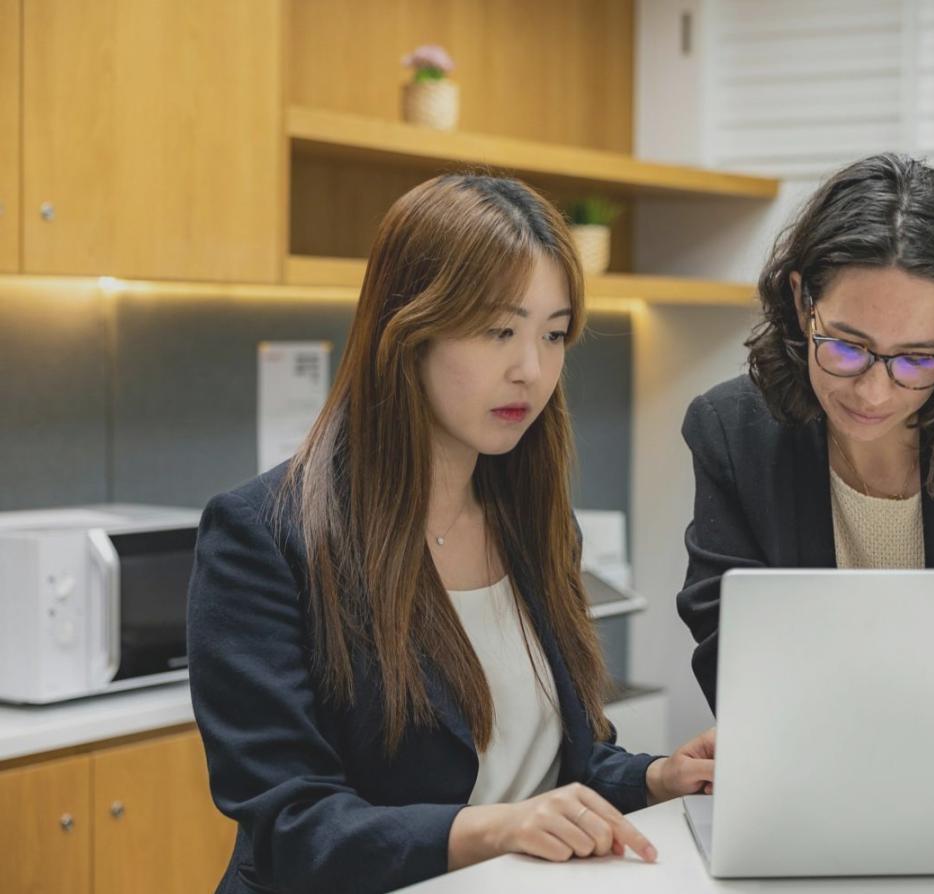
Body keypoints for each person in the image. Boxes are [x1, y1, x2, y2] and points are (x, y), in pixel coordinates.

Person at [188, 173, 714, 893]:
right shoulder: (263, 538)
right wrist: (497, 827)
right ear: (409, 329)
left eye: (553, 334)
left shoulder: (533, 521)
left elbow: (569, 762)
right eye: (499, 330)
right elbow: (292, 827)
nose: (531, 370)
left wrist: (657, 777)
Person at [677, 153, 934, 711]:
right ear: (804, 302)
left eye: (917, 360)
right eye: (848, 348)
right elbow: (735, 665)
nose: (873, 394)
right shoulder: (732, 434)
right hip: (813, 765)